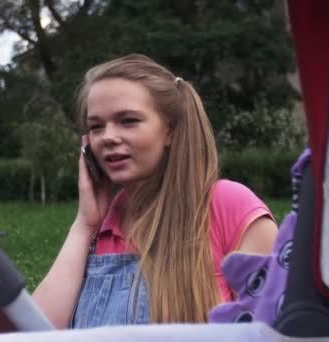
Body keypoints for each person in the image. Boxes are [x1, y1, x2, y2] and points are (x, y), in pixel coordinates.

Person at [31, 54, 278, 329]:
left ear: (170, 130)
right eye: (97, 126)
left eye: (128, 120)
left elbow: (278, 328)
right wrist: (83, 224)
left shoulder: (228, 207)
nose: (108, 137)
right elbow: (36, 332)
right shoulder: (99, 228)